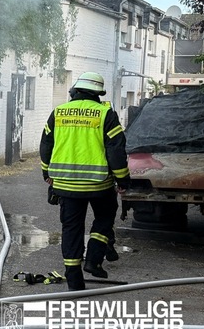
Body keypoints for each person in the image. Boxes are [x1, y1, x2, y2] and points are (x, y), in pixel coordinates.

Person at [39, 72, 130, 291]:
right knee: (105, 218)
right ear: (99, 93)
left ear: (75, 90)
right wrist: (122, 178)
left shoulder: (58, 112)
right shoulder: (105, 114)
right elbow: (116, 152)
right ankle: (93, 259)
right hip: (99, 185)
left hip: (65, 185)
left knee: (71, 228)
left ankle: (74, 280)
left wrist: (46, 173)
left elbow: (45, 145)